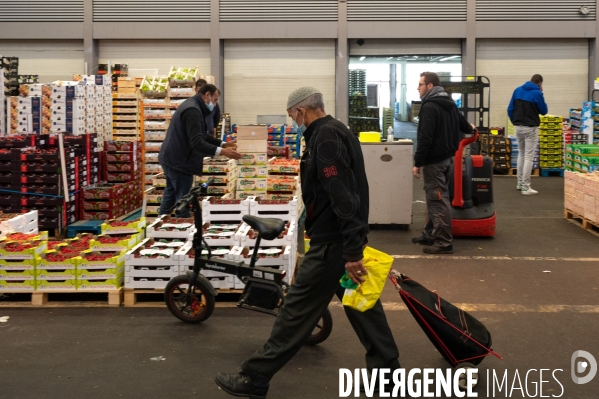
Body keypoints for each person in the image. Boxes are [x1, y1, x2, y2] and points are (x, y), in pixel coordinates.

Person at [214, 87, 400, 398]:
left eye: (292, 117)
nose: (293, 122)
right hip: (340, 239)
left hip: (332, 245)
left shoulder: (326, 138)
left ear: (301, 111)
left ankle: (255, 377)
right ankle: (388, 373)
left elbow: (344, 195)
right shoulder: (332, 132)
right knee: (362, 305)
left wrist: (352, 250)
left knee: (295, 311)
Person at [412, 72, 474, 255]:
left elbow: (425, 138)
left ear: (430, 86)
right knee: (435, 198)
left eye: (420, 84)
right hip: (448, 160)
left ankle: (444, 242)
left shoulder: (430, 106)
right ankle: (430, 234)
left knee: (438, 200)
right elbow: (464, 125)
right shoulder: (449, 104)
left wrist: (418, 162)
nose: (418, 88)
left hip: (434, 162)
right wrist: (473, 128)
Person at [158, 83, 241, 217]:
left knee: (171, 194)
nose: (214, 105)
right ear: (207, 95)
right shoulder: (193, 110)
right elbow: (197, 142)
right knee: (183, 200)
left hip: (171, 157)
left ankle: (158, 228)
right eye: (215, 100)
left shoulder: (193, 106)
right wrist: (222, 151)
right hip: (179, 161)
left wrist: (223, 144)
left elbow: (201, 134)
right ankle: (183, 232)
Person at [507, 74, 548, 196]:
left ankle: (520, 183)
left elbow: (510, 109)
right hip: (531, 128)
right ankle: (526, 187)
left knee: (521, 153)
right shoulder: (537, 93)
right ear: (539, 83)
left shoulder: (518, 90)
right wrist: (541, 94)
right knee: (529, 156)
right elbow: (544, 111)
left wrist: (515, 121)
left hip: (518, 127)